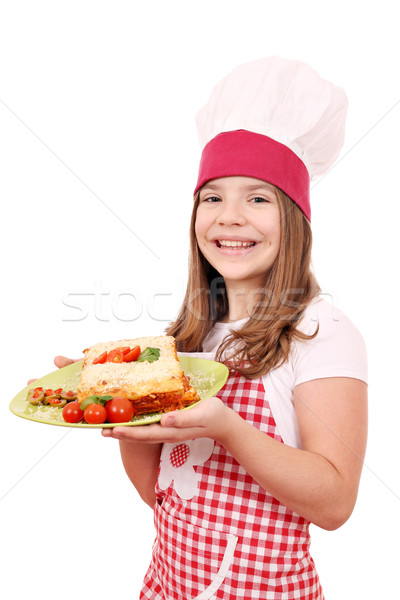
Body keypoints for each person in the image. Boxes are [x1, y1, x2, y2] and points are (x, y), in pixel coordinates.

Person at [58, 57, 368, 599]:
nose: (228, 216)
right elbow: (161, 495)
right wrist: (118, 398)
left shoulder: (321, 331)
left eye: (257, 197)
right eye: (213, 197)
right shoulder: (191, 335)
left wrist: (225, 427)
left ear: (294, 218)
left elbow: (336, 503)